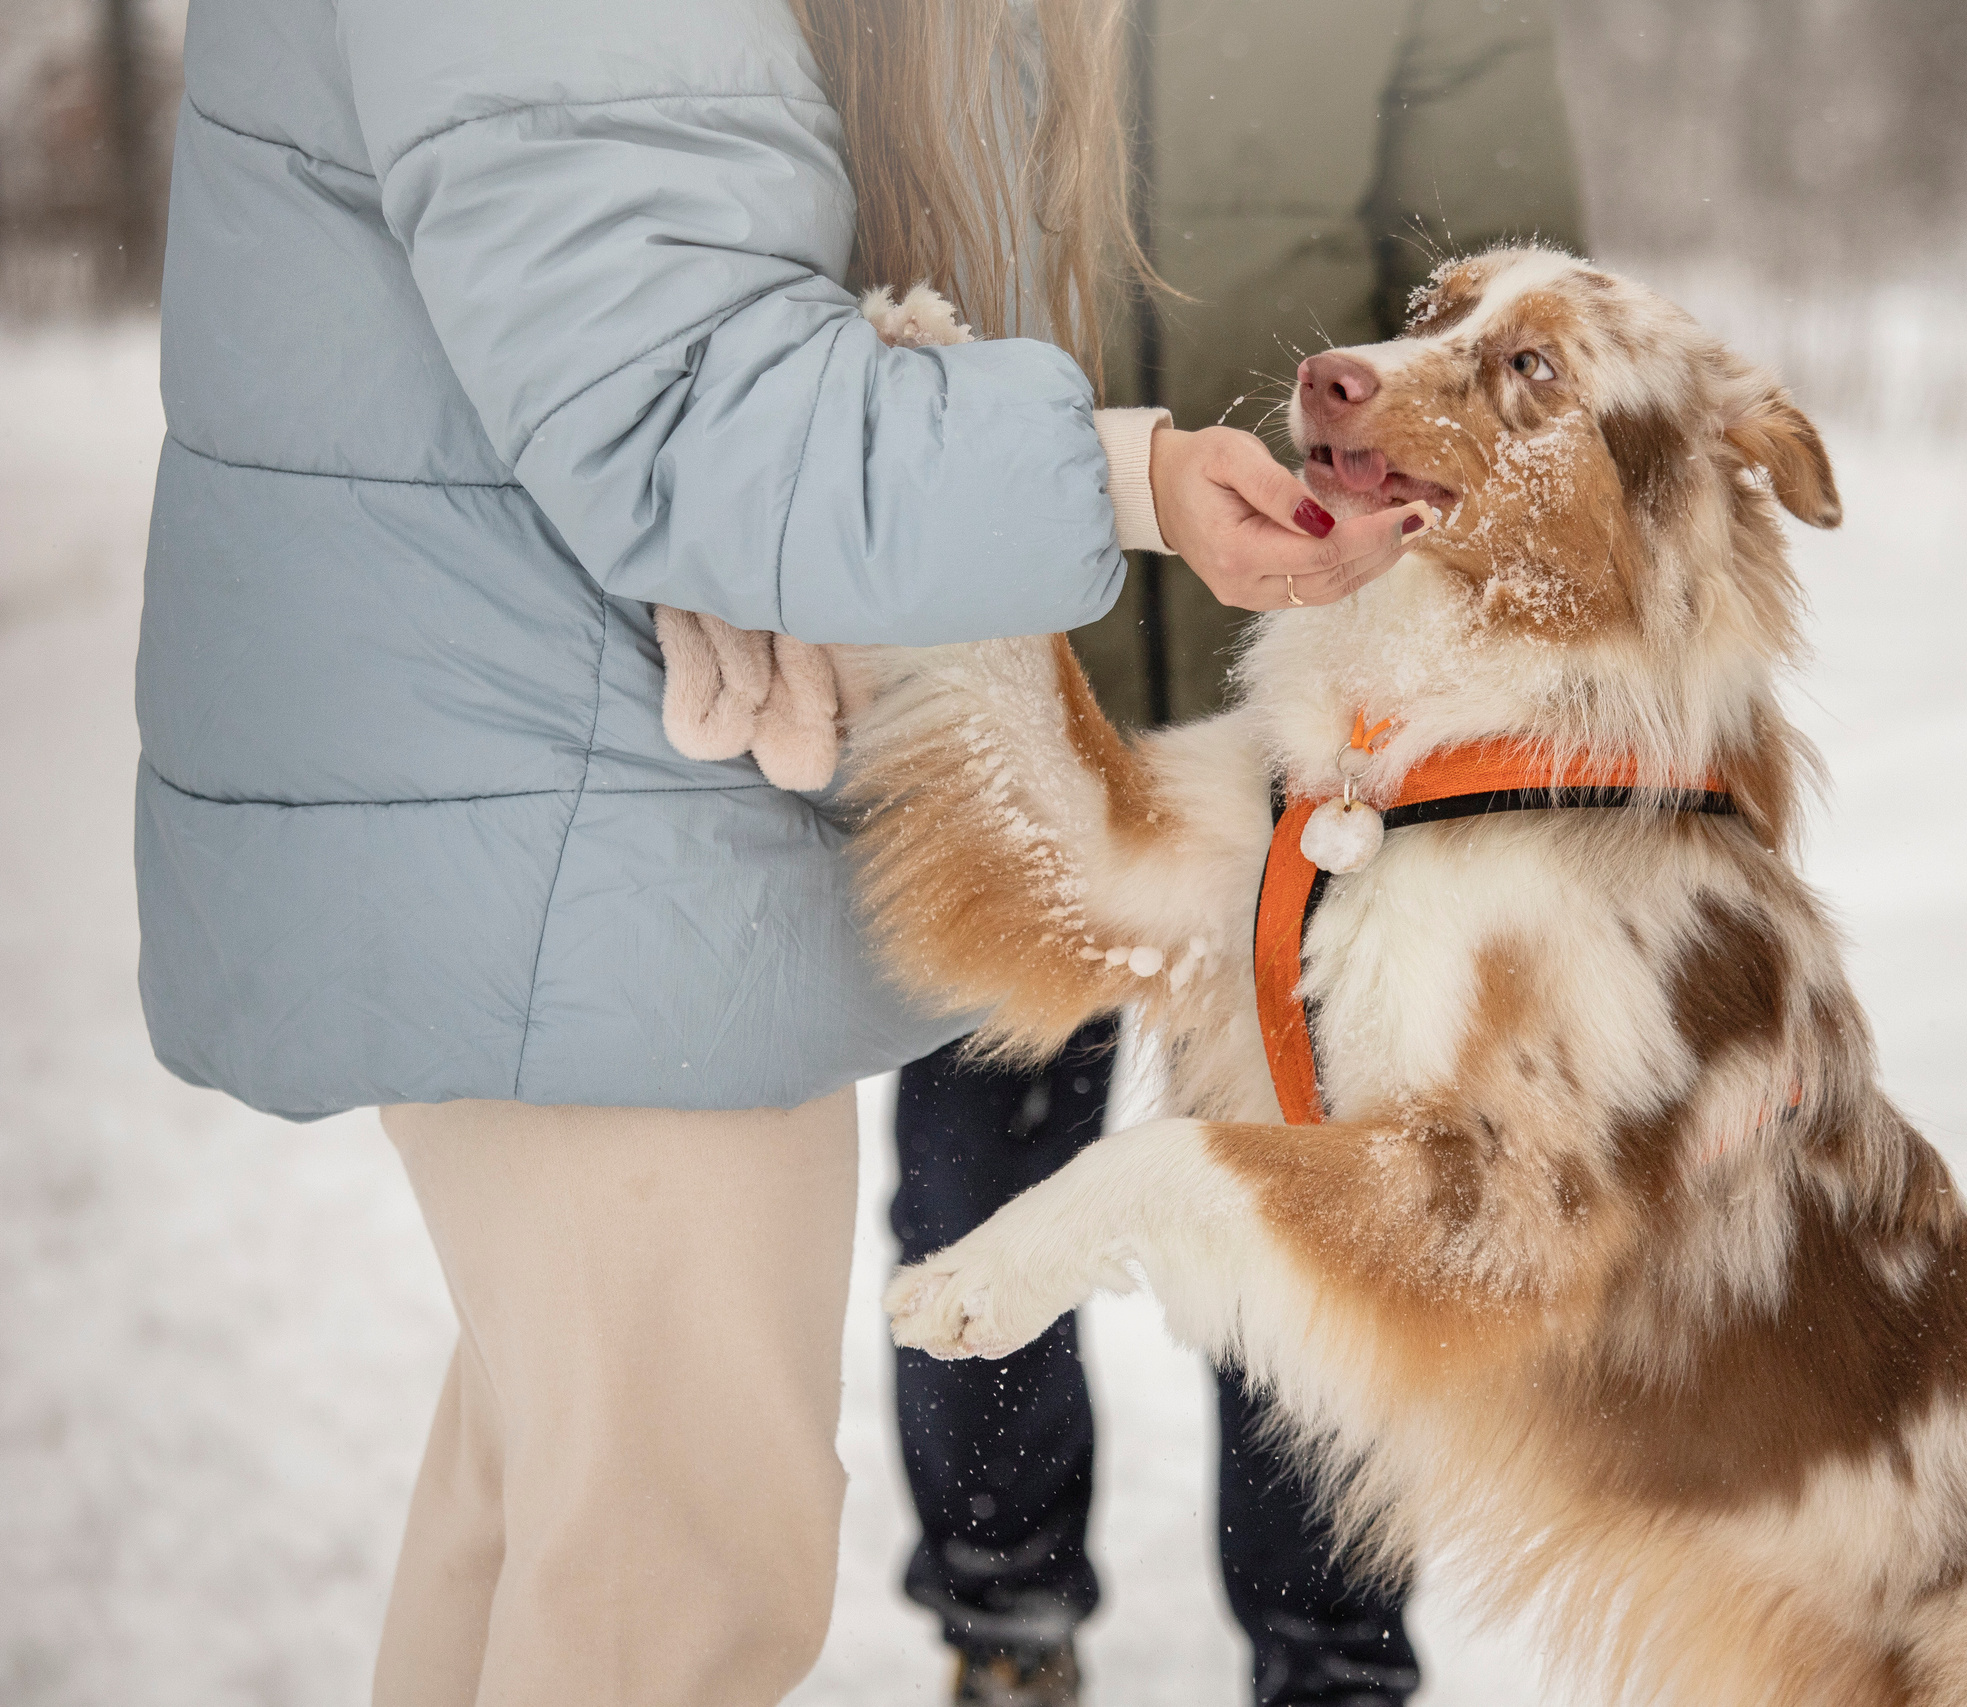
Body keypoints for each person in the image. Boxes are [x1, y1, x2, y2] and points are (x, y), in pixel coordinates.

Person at [132, 1, 1435, 1702]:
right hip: (574, 819)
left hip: (591, 810)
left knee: (571, 1523)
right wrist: (1128, 474)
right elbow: (694, 407)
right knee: (676, 1569)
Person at [886, 3, 1588, 1703]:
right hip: (994, 644)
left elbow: (1510, 313)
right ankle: (1006, 1616)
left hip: (1322, 705)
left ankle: (1335, 1659)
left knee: (1311, 1204)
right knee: (981, 1182)